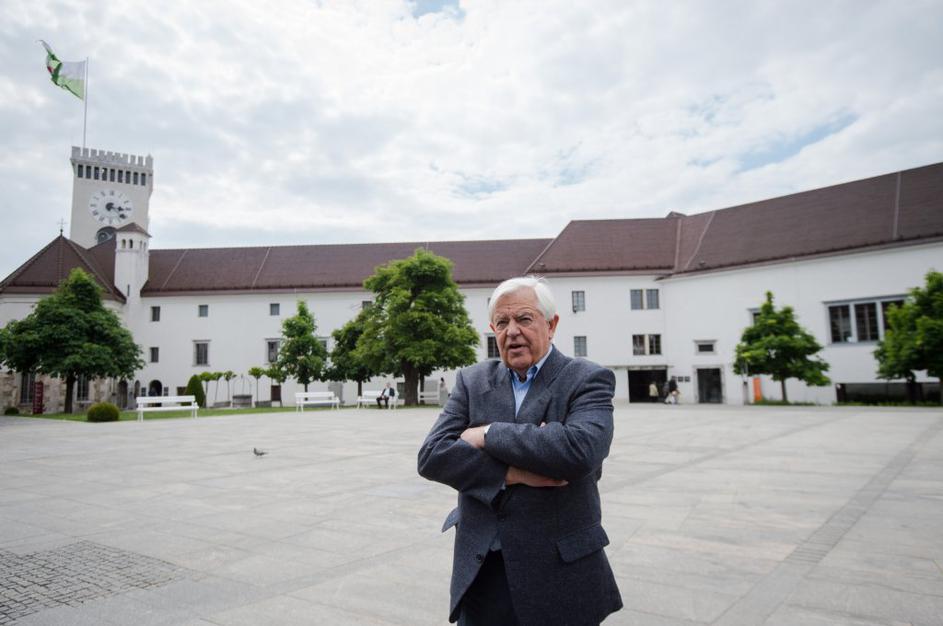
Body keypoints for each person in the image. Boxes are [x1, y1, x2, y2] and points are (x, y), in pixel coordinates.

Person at [418, 276, 622, 626]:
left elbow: (580, 450)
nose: (512, 331)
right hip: (483, 571)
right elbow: (433, 456)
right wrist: (511, 472)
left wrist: (487, 434)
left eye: (524, 318)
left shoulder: (586, 378)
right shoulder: (472, 381)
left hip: (560, 572)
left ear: (551, 324)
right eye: (502, 322)